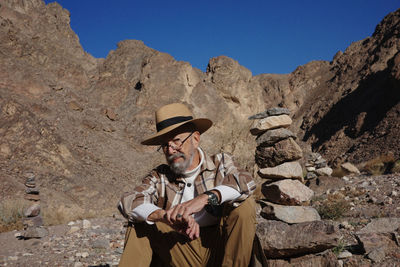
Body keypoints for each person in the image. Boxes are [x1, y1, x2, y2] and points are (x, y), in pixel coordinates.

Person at [118, 103, 257, 267]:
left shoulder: (220, 163)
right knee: (141, 221)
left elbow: (246, 181)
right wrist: (164, 216)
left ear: (196, 139)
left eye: (176, 141)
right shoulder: (160, 176)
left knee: (244, 205)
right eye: (165, 145)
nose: (170, 150)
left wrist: (205, 198)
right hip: (180, 252)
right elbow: (128, 200)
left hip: (221, 249)